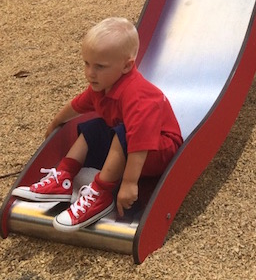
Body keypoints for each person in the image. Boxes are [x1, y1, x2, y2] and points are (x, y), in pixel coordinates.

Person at [12, 17, 182, 231]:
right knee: (93, 128)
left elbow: (139, 141)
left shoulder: (137, 96)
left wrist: (129, 183)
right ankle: (64, 177)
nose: (90, 73)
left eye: (100, 66)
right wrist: (56, 121)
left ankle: (102, 193)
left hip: (159, 151)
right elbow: (77, 106)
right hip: (130, 145)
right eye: (86, 63)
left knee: (123, 133)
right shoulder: (102, 86)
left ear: (127, 66)